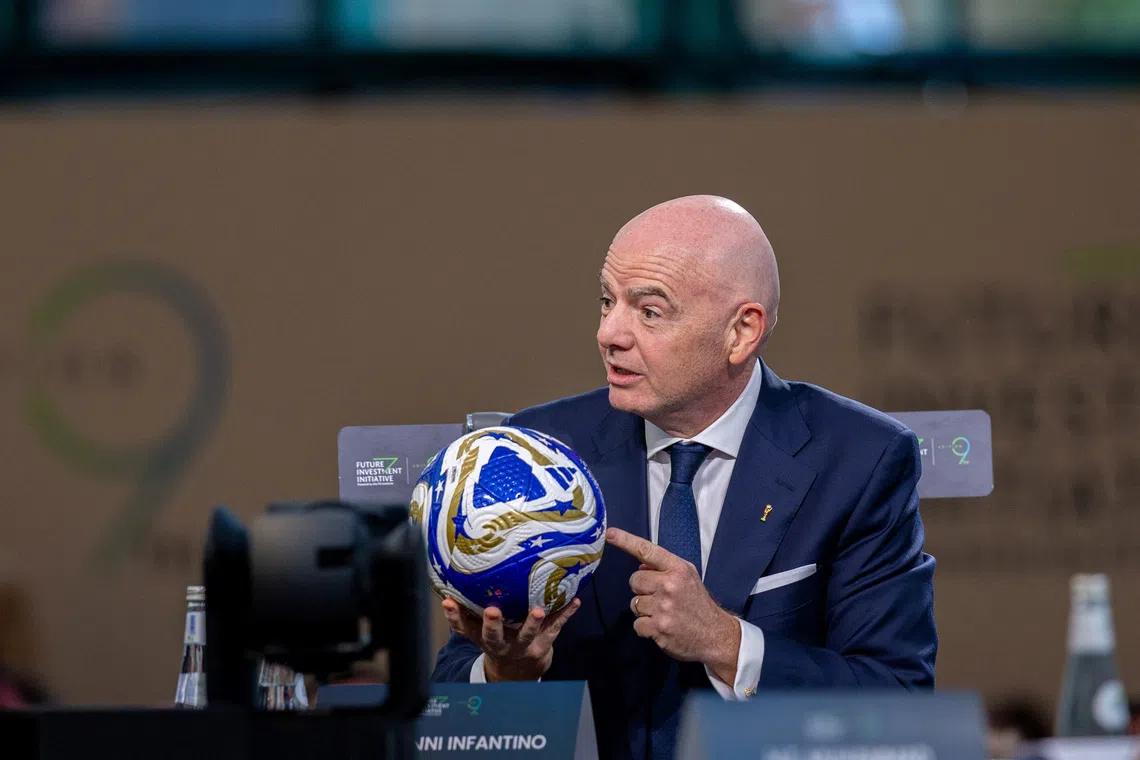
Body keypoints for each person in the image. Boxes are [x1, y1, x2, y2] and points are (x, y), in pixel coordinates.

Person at [432, 195, 938, 760]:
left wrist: (726, 642)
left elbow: (898, 701)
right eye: (607, 302)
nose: (610, 334)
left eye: (649, 311)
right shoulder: (541, 455)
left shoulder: (859, 459)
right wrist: (507, 674)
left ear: (741, 332)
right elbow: (448, 694)